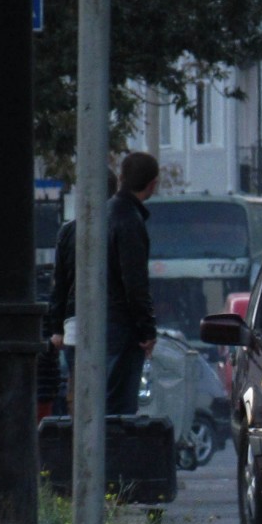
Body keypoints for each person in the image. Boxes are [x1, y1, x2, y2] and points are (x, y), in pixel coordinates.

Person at [45, 168, 116, 413]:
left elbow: (59, 285)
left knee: (81, 388)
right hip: (112, 324)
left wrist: (57, 329)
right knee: (110, 392)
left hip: (75, 325)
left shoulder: (69, 231)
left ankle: (81, 439)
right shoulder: (119, 229)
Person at [106, 152, 161, 415]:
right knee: (120, 407)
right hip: (122, 326)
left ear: (122, 178)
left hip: (102, 322)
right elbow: (135, 282)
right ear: (152, 183)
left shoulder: (107, 213)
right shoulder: (130, 220)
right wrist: (146, 330)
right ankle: (115, 455)